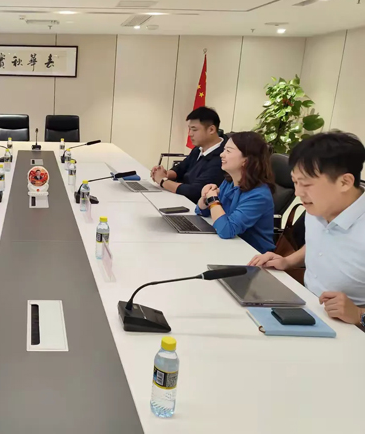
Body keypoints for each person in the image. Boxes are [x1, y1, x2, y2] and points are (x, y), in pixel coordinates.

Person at [249, 132, 365, 327]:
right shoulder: (318, 208)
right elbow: (319, 242)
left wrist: (359, 314)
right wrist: (288, 261)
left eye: (306, 184)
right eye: (295, 182)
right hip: (307, 306)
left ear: (344, 182)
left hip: (350, 327)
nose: (298, 193)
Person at [195, 132, 275, 253]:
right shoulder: (230, 181)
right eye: (224, 150)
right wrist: (206, 198)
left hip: (251, 254)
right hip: (229, 247)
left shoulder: (259, 195)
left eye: (228, 151)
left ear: (246, 160)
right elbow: (201, 212)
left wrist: (213, 200)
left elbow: (227, 230)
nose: (221, 154)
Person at [151, 107, 226, 204]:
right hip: (180, 198)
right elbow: (181, 168)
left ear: (211, 129)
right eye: (189, 129)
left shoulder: (223, 157)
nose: (190, 134)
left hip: (195, 206)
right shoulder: (198, 148)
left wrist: (162, 181)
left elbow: (195, 191)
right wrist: (164, 174)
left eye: (194, 129)